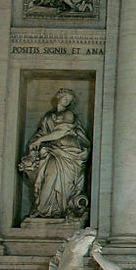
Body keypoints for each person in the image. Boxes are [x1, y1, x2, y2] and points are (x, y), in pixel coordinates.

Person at [19, 88, 90, 219]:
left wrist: (41, 140)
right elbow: (41, 133)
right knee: (48, 178)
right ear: (58, 97)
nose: (67, 101)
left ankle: (59, 210)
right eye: (65, 98)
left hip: (68, 153)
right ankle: (45, 210)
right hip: (52, 152)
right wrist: (35, 142)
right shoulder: (48, 117)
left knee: (62, 182)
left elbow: (62, 131)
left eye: (69, 100)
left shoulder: (69, 115)